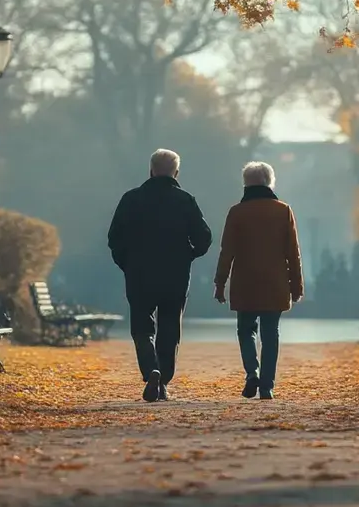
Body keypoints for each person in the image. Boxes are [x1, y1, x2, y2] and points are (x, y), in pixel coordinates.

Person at [107, 149, 212, 402]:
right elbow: (204, 238)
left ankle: (150, 369)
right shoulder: (185, 200)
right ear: (176, 172)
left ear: (151, 170)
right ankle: (163, 380)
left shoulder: (131, 199)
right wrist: (189, 255)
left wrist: (127, 263)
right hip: (174, 275)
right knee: (169, 329)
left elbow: (114, 239)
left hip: (139, 274)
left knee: (142, 328)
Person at [213, 161, 304, 400]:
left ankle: (252, 371)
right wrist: (297, 286)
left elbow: (227, 251)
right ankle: (267, 386)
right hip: (275, 282)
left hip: (245, 282)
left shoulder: (236, 212)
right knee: (270, 333)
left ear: (246, 184)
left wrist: (220, 283)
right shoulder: (283, 211)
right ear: (269, 182)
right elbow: (292, 252)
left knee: (245, 330)